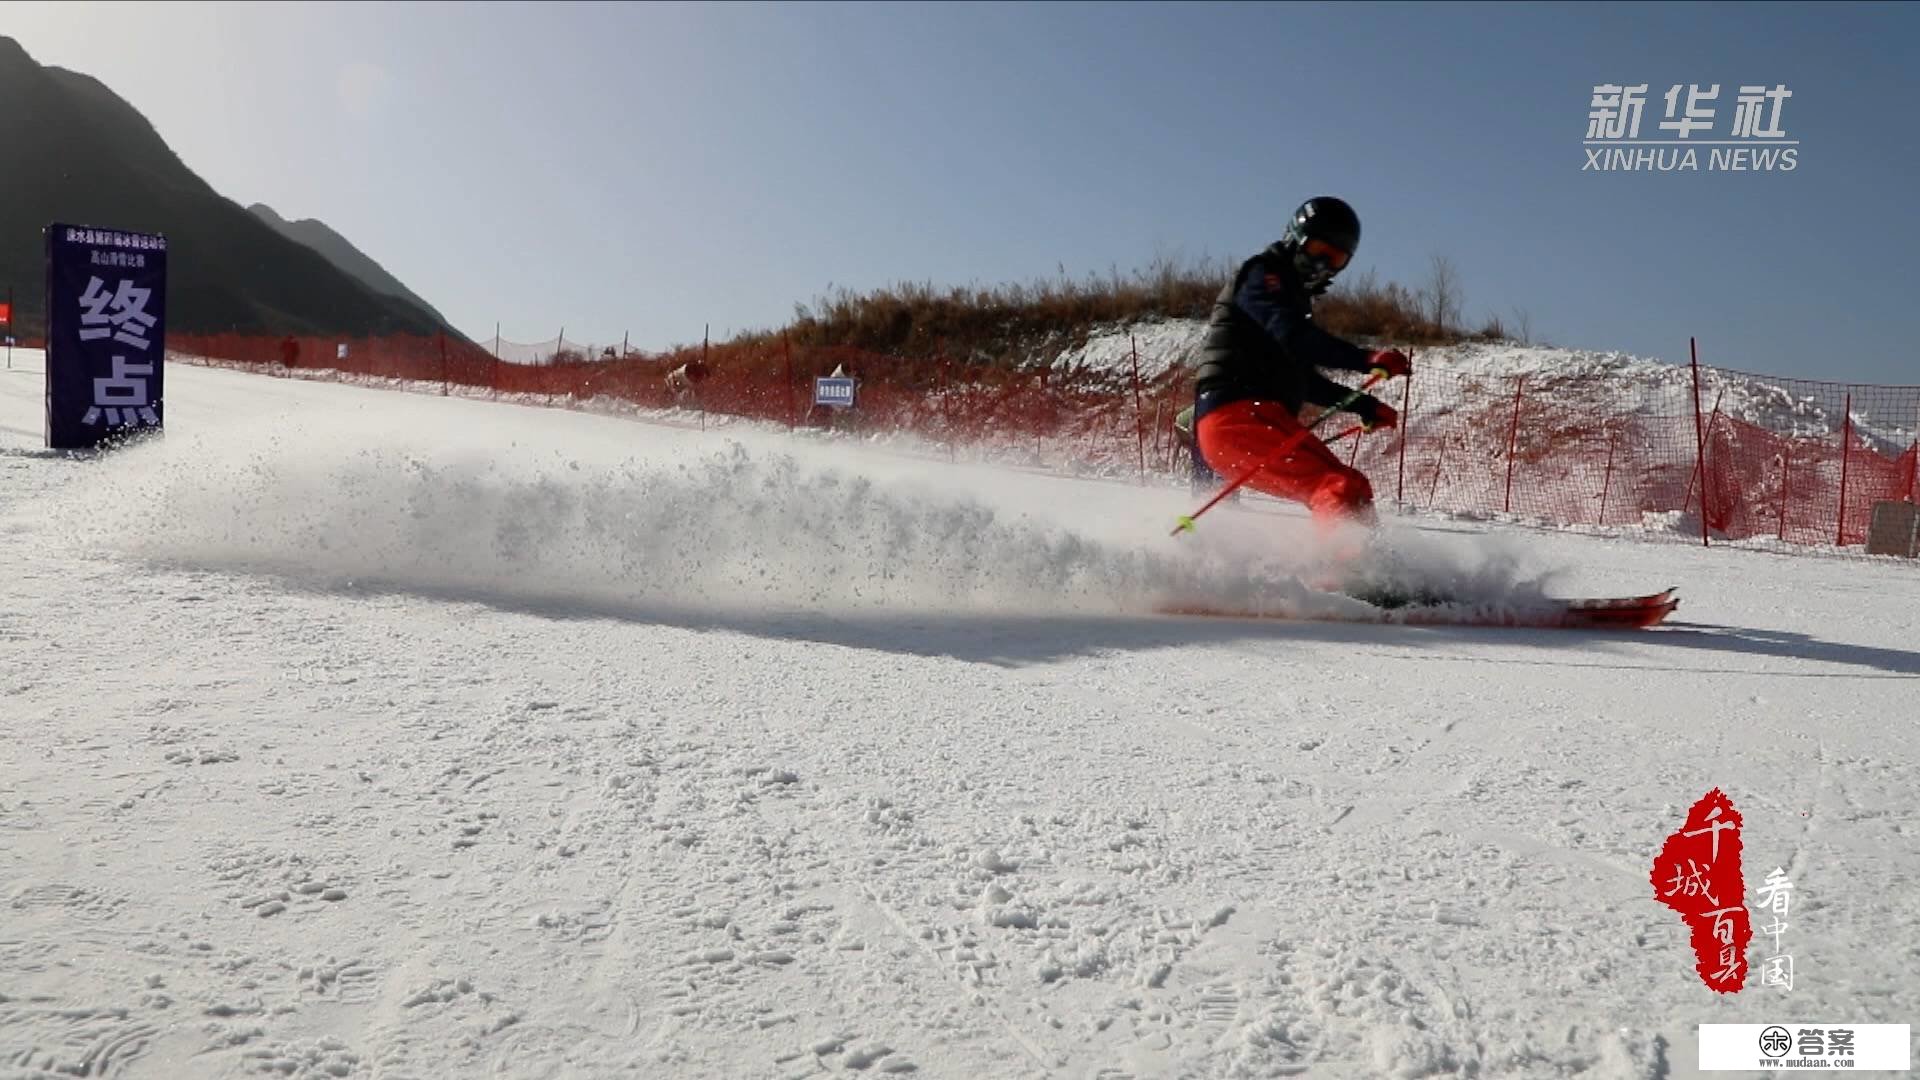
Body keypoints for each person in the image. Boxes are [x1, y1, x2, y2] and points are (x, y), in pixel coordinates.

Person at [1187, 196, 1410, 528]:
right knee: (1338, 488)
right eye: (1319, 249)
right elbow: (1295, 335)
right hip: (1236, 418)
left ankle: (1369, 567)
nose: (1324, 264)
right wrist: (1366, 359)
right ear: (1296, 238)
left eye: (1336, 258)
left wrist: (1364, 405)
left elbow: (1303, 379)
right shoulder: (1262, 276)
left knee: (1351, 487)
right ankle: (1352, 573)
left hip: (1250, 421)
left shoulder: (1293, 300)